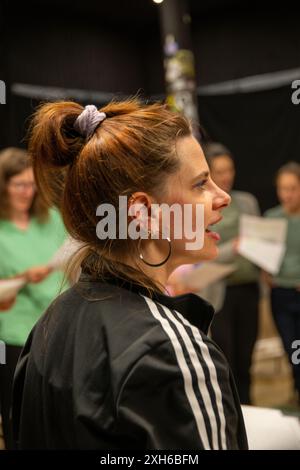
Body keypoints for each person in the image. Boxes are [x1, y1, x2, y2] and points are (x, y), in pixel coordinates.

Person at [12, 100, 248, 450]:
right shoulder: (170, 350)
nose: (222, 197)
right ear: (142, 211)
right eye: (200, 184)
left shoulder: (49, 324)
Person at [0, 147, 67, 449]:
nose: (27, 192)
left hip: (55, 329)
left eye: (32, 184)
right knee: (18, 414)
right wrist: (25, 277)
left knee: (57, 413)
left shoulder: (52, 219)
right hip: (14, 334)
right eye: (19, 185)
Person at [203, 142, 260, 405]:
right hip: (218, 290)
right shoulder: (205, 206)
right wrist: (233, 248)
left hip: (248, 287)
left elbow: (260, 240)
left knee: (247, 356)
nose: (226, 176)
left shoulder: (247, 201)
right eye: (220, 171)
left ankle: (250, 408)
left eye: (230, 169)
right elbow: (204, 249)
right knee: (227, 358)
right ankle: (232, 410)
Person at [264, 162, 300, 404]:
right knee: (293, 349)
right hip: (282, 296)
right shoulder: (271, 217)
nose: (286, 194)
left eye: (292, 188)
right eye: (282, 188)